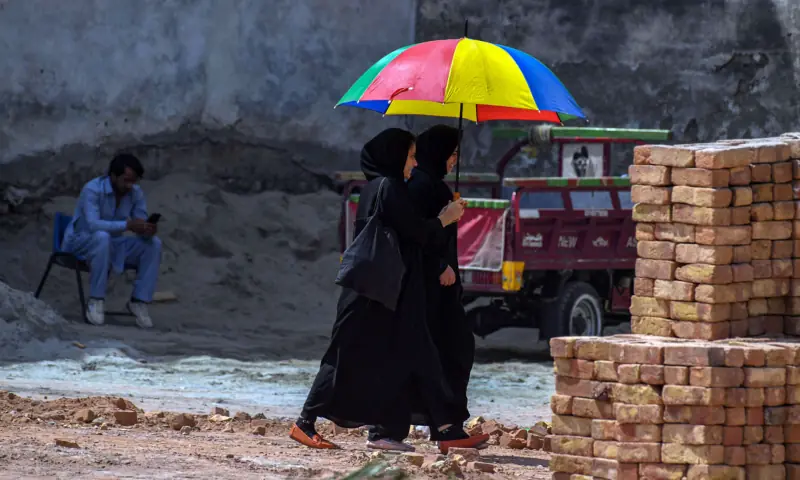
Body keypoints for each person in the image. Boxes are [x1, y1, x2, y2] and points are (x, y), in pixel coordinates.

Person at [289, 128, 488, 453]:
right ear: (394, 156)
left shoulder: (377, 187)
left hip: (385, 291)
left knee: (419, 355)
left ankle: (445, 430)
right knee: (343, 357)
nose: (413, 162)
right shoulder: (389, 188)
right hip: (372, 294)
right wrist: (445, 219)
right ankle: (305, 422)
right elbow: (415, 232)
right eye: (409, 156)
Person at [384, 124, 476, 445]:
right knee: (451, 351)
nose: (454, 161)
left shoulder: (433, 185)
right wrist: (440, 263)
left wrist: (450, 212)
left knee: (444, 353)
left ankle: (443, 426)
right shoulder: (422, 187)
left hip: (439, 291)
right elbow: (413, 236)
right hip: (428, 288)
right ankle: (442, 426)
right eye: (452, 154)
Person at [62, 153, 161, 328]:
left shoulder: (135, 192)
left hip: (111, 243)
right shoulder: (92, 189)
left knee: (153, 244)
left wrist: (146, 230)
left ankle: (138, 301)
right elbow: (93, 225)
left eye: (134, 181)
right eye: (126, 180)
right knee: (102, 237)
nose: (130, 185)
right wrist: (128, 225)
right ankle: (96, 299)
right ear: (113, 176)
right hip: (81, 242)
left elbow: (138, 224)